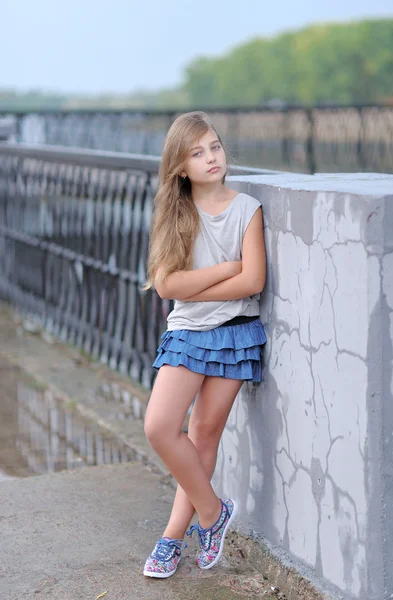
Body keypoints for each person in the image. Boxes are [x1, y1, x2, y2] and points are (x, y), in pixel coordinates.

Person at [142, 111, 267, 578]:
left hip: (235, 331)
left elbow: (253, 280)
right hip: (187, 332)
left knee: (204, 434)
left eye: (214, 147)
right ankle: (214, 514)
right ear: (180, 166)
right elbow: (166, 285)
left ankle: (172, 538)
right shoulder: (175, 213)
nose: (211, 157)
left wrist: (197, 284)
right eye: (197, 153)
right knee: (160, 427)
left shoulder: (246, 208)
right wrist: (224, 270)